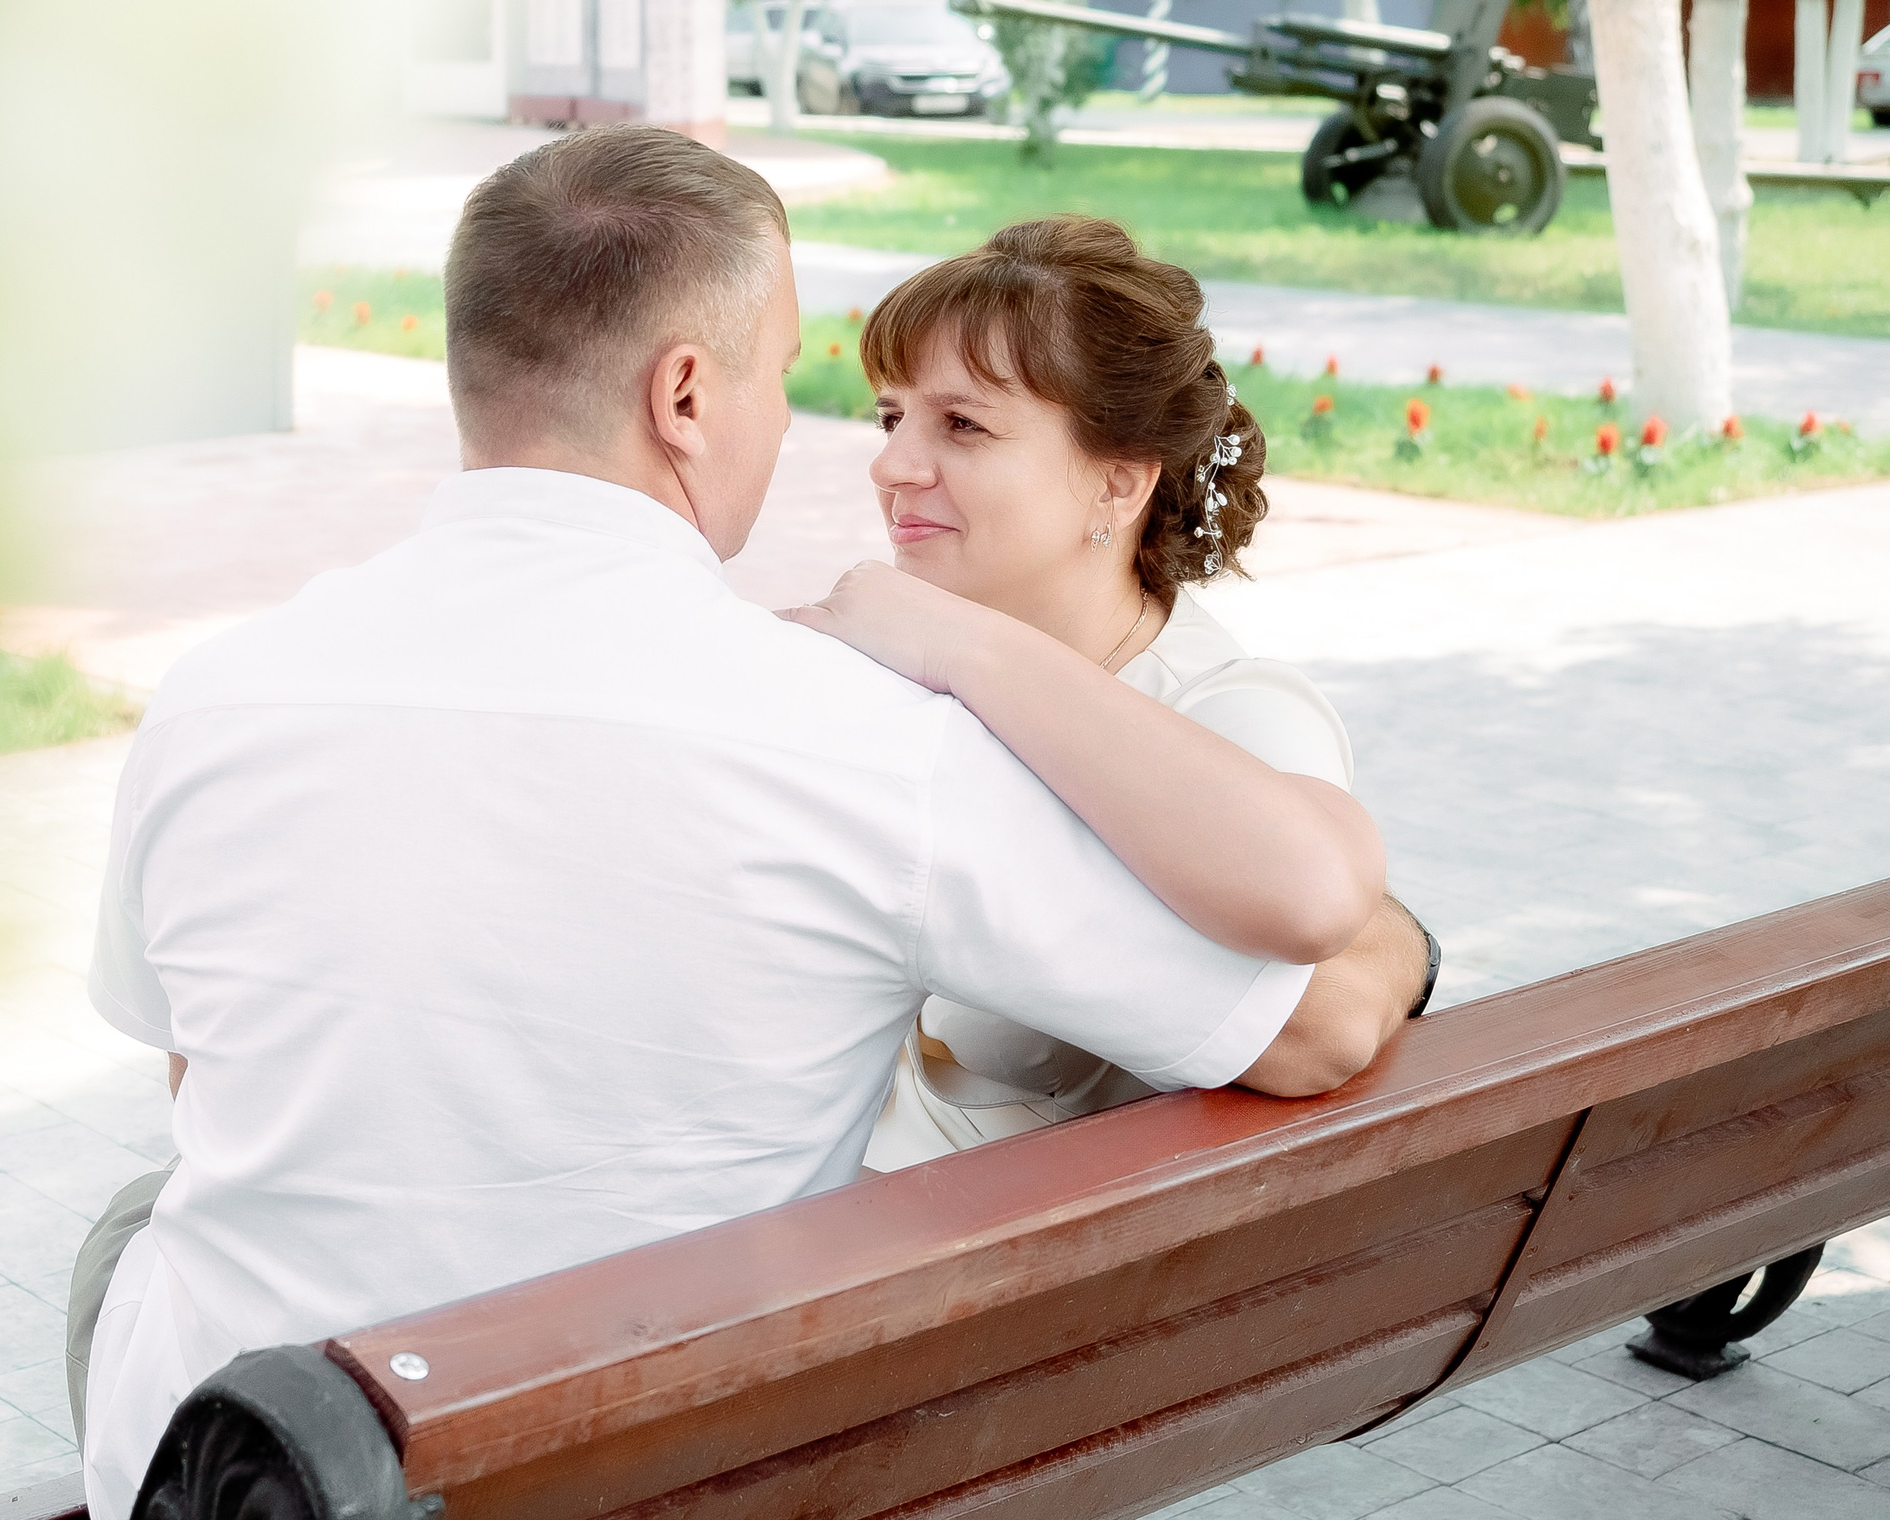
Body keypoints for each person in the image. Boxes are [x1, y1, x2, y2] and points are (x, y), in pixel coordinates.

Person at [70, 125, 1430, 1520]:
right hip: (628, 1467)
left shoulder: (209, 698)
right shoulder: (870, 746)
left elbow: (206, 1090)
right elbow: (1312, 1020)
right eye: (787, 377)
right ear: (683, 396)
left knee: (138, 1231)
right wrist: (1408, 943)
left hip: (222, 1452)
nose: (837, 442)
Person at [775, 219, 1432, 1166]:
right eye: (892, 418)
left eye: (962, 424)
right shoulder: (891, 656)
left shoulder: (1230, 710)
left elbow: (1318, 1007)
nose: (892, 465)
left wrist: (962, 646)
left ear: (1118, 485)